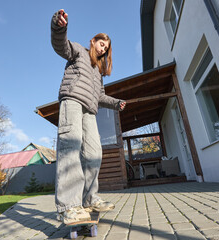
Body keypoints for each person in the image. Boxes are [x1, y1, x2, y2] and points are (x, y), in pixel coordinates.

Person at [51, 9, 126, 224]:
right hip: (72, 102)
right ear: (93, 41)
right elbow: (60, 45)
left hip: (90, 112)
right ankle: (69, 206)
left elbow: (100, 96)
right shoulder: (78, 51)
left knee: (95, 153)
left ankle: (89, 198)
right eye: (102, 44)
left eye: (107, 48)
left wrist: (116, 103)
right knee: (70, 149)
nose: (103, 49)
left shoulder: (97, 72)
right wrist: (59, 26)